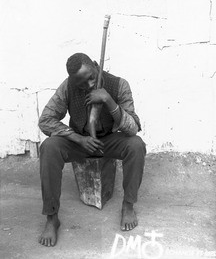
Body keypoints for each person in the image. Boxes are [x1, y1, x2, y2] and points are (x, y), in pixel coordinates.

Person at [38, 53, 146, 247]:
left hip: (109, 141)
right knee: (49, 147)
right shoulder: (67, 87)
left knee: (136, 145)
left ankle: (128, 205)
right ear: (73, 81)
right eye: (81, 83)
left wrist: (108, 100)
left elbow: (132, 128)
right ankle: (52, 217)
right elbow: (45, 120)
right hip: (80, 142)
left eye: (91, 78)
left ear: (96, 66)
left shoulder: (119, 85)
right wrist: (78, 139)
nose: (88, 85)